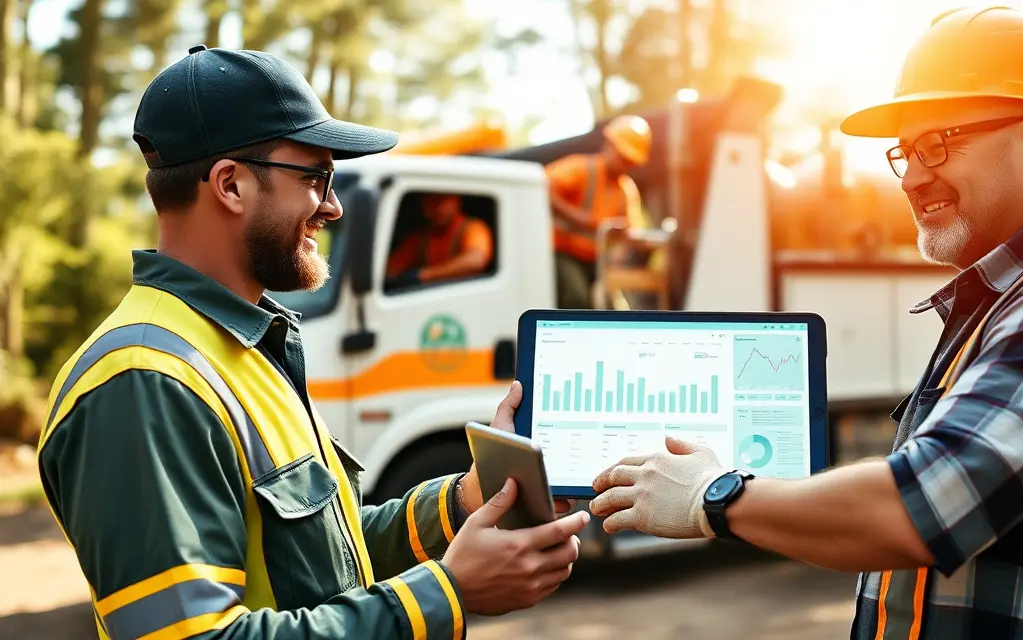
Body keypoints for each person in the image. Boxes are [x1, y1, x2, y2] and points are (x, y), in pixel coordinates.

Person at [587, 7, 1023, 639]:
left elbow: (925, 504)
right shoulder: (1012, 299)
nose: (911, 178)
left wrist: (716, 496)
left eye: (938, 145)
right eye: (904, 153)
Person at [36, 45, 588, 640]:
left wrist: (464, 500)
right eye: (316, 177)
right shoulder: (144, 381)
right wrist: (446, 592)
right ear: (230, 185)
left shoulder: (240, 348)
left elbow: (326, 556)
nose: (333, 206)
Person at [545, 114, 652, 308]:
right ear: (609, 145)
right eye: (622, 156)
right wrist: (574, 215)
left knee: (613, 306)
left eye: (629, 161)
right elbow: (543, 186)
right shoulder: (581, 169)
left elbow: (630, 228)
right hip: (562, 252)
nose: (624, 164)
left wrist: (621, 248)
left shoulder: (625, 189)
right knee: (577, 298)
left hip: (596, 259)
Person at [385, 193, 494, 289]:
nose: (438, 207)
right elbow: (391, 270)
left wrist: (426, 275)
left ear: (457, 201)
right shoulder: (420, 238)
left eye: (443, 201)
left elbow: (476, 260)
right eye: (431, 201)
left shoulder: (472, 228)